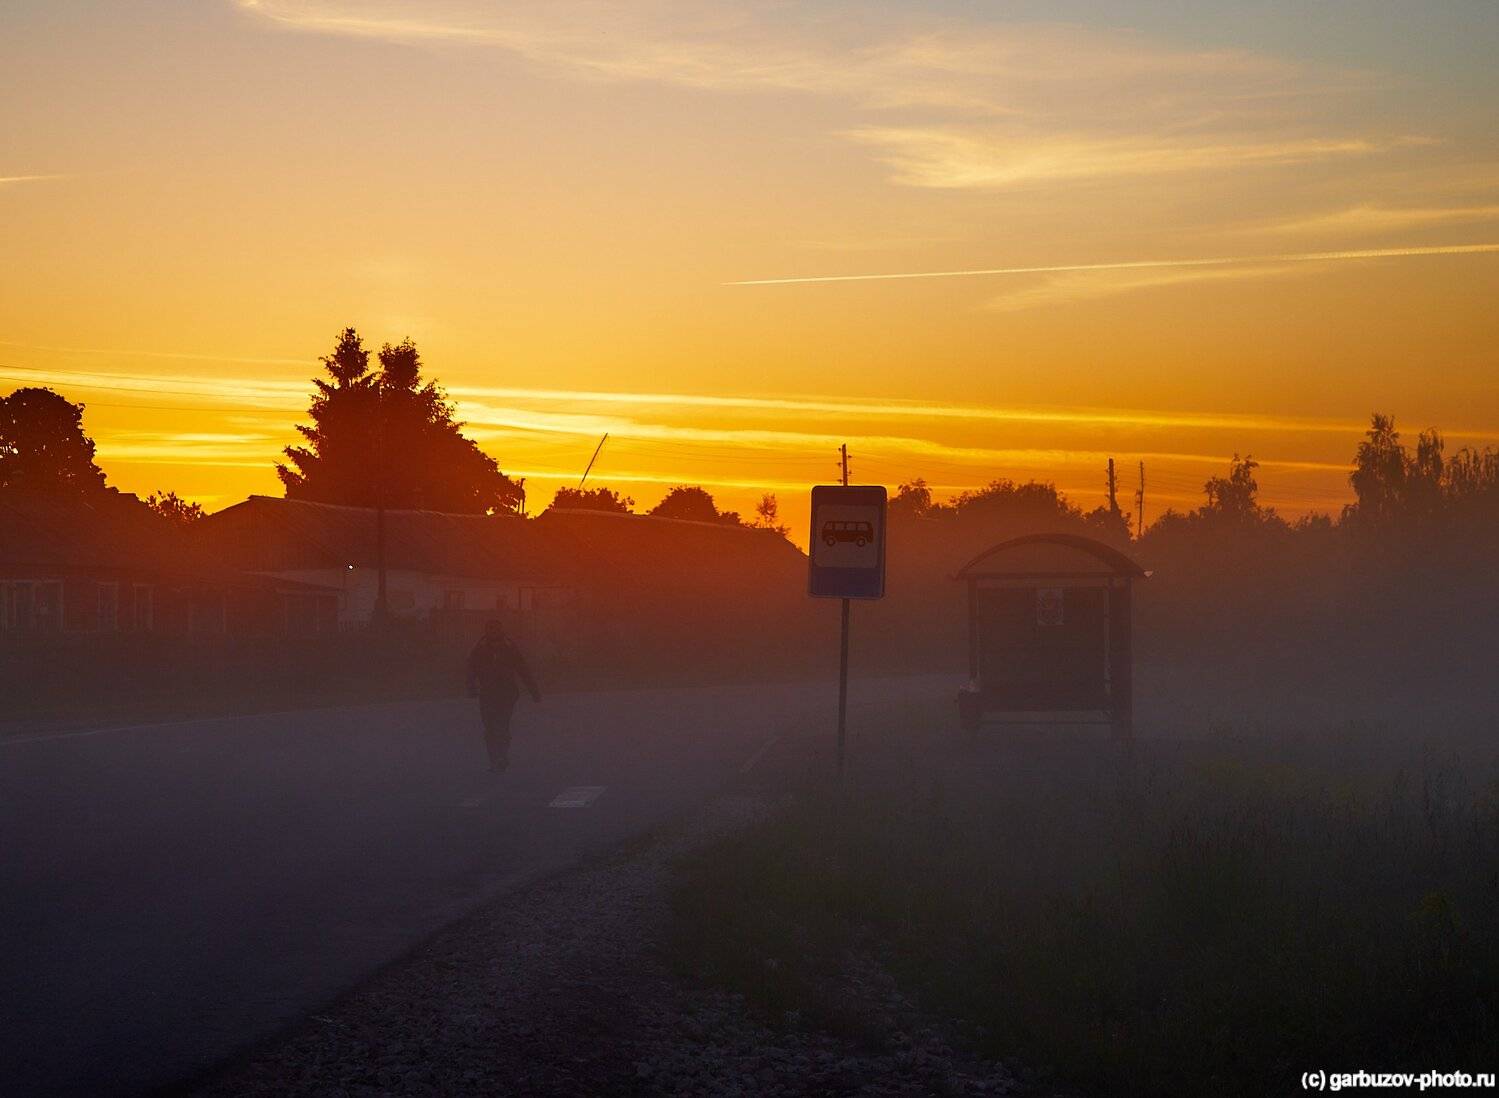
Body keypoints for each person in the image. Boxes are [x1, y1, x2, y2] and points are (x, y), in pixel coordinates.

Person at [466, 620, 541, 772]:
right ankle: (494, 759)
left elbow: (523, 669)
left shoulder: (509, 647)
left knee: (502, 724)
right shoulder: (479, 648)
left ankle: (502, 756)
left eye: (496, 629)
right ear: (486, 630)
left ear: (501, 630)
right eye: (490, 629)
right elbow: (471, 670)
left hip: (507, 693)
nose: (493, 631)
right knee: (490, 727)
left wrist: (534, 691)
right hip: (487, 693)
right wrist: (471, 688)